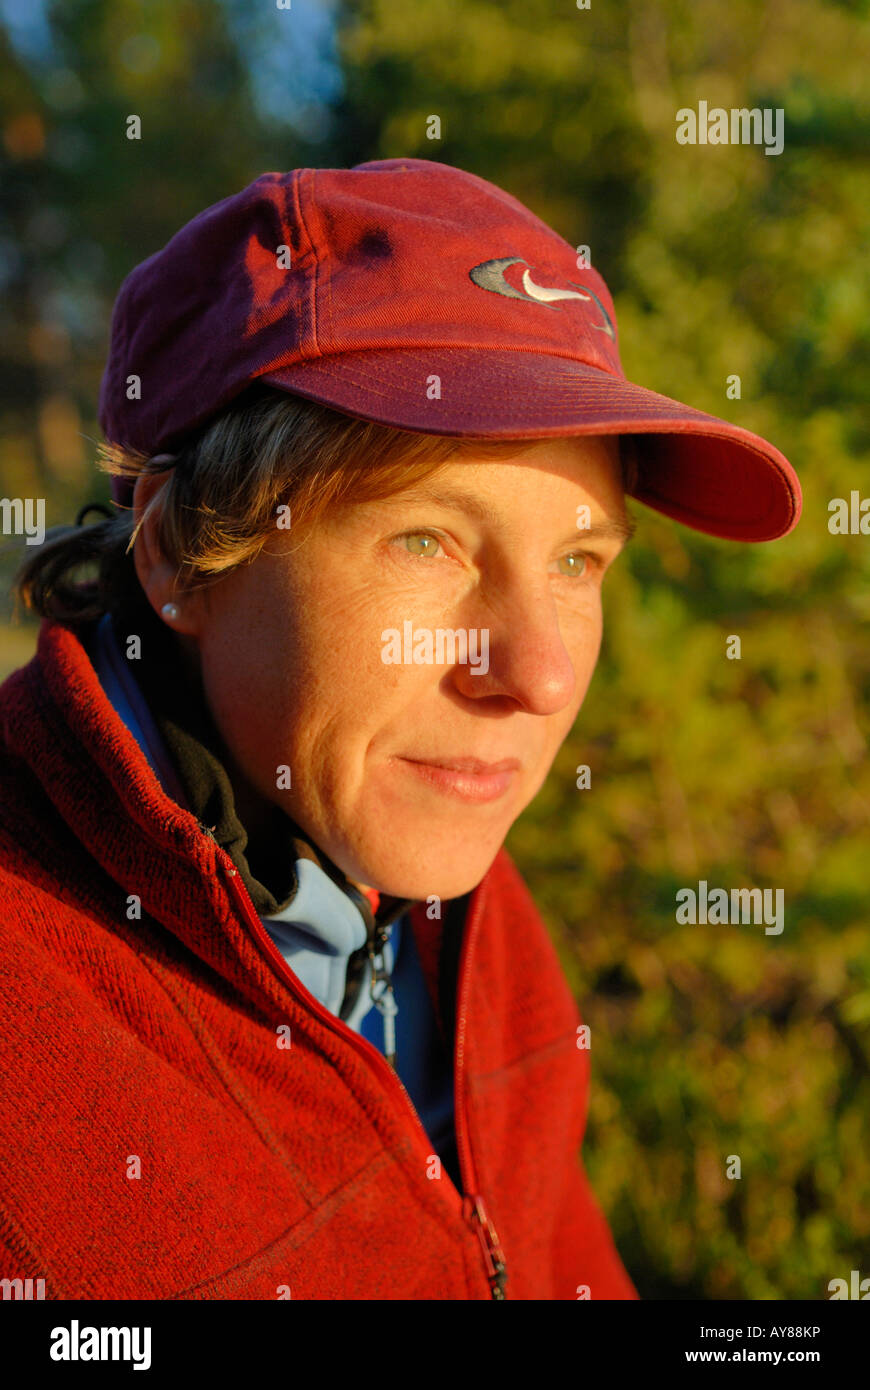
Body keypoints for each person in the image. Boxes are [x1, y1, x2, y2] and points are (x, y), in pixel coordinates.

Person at [0, 157, 801, 1301]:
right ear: (181, 554)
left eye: (578, 561)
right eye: (429, 539)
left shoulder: (457, 894)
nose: (538, 672)